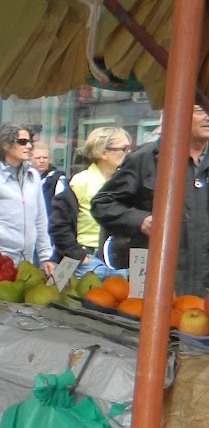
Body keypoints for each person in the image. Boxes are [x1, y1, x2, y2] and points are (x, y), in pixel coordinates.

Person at [91, 105, 209, 297]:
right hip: (152, 279)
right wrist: (140, 220)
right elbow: (103, 204)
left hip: (203, 287)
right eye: (200, 111)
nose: (207, 117)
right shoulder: (145, 158)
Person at [0, 123, 55, 273]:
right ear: (5, 145)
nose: (29, 146)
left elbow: (40, 219)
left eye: (30, 141)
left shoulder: (33, 177)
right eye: (22, 142)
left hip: (27, 263)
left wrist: (45, 256)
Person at [50, 127, 131, 276]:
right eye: (124, 149)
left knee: (129, 299)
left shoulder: (128, 182)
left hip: (120, 261)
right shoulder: (80, 182)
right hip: (85, 259)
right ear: (103, 153)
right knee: (72, 298)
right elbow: (59, 225)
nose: (129, 153)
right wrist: (79, 257)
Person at [31, 141, 62, 211]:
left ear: (49, 159)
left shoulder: (58, 179)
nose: (42, 161)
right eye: (37, 158)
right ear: (30, 159)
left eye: (45, 158)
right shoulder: (24, 177)